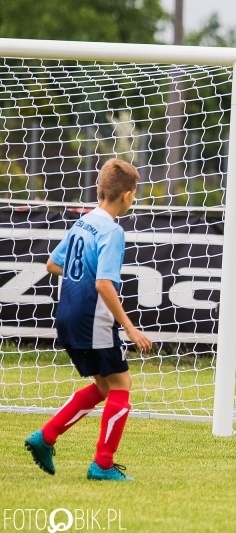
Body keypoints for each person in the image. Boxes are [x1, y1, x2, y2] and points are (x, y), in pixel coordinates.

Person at [24, 158, 152, 482]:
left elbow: (52, 265)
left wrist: (80, 273)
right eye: (134, 194)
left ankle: (46, 436)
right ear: (126, 195)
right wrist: (130, 327)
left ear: (99, 189)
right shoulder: (113, 230)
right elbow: (103, 284)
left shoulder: (83, 223)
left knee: (103, 385)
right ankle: (103, 465)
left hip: (67, 314)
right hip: (92, 319)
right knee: (122, 384)